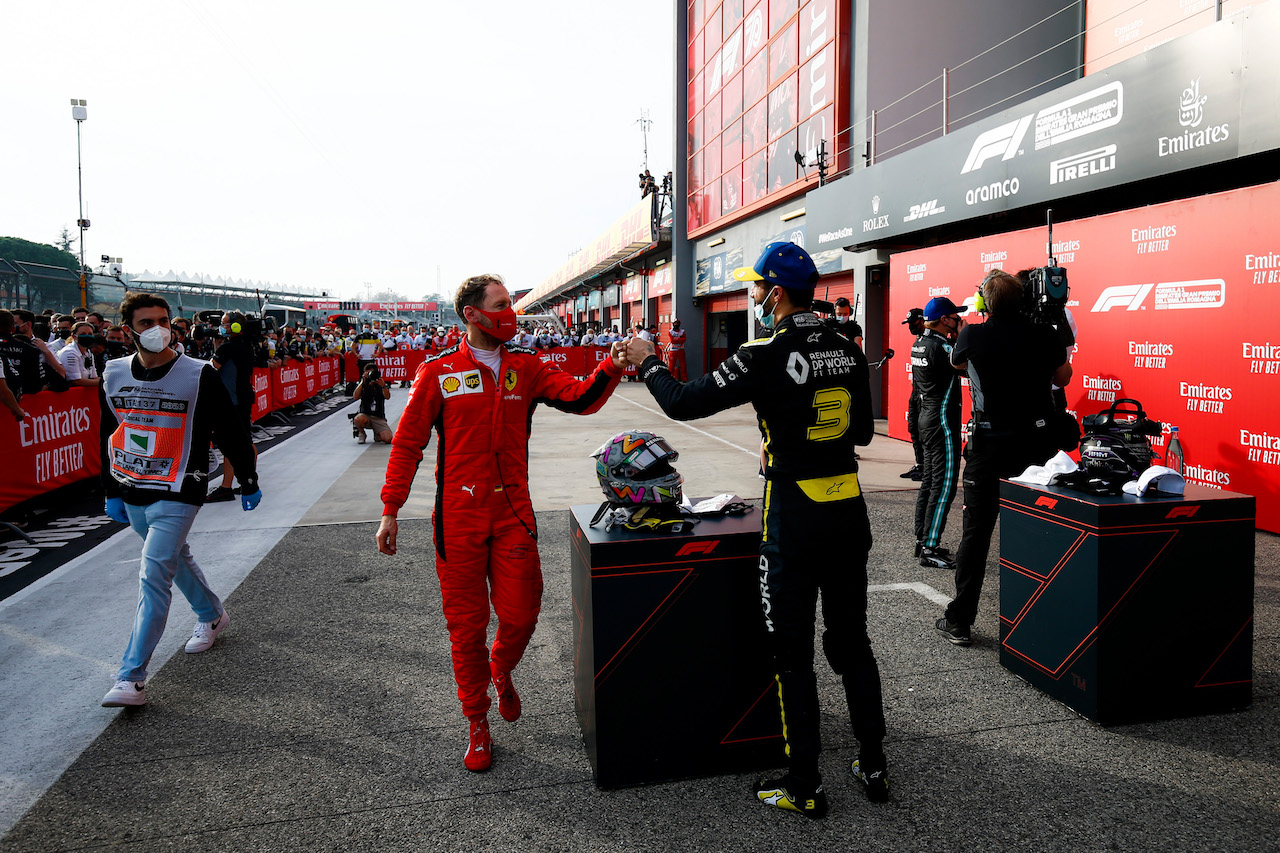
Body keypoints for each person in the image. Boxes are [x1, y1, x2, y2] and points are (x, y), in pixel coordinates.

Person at [622, 241, 890, 818]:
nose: (754, 299)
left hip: (793, 516)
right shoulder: (847, 344)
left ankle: (804, 784)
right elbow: (864, 434)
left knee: (791, 654)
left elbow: (683, 403)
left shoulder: (764, 350)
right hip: (849, 508)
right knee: (850, 642)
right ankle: (873, 762)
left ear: (775, 293)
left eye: (758, 289)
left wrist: (647, 360)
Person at [376, 273, 627, 773]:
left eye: (511, 304)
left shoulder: (526, 368)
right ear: (470, 313)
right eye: (501, 304)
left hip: (512, 512)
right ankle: (476, 721)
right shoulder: (437, 372)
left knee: (520, 615)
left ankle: (502, 667)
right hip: (457, 518)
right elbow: (407, 444)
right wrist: (390, 509)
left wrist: (613, 364)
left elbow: (579, 398)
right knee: (465, 628)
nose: (510, 313)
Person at [98, 292, 262, 708]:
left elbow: (229, 428)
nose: (157, 329)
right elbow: (109, 432)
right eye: (145, 322)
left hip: (180, 488)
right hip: (131, 485)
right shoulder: (113, 372)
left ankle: (130, 677)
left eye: (163, 320)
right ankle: (212, 615)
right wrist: (110, 490)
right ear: (127, 331)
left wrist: (247, 478)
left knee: (153, 575)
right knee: (175, 559)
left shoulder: (198, 374)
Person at [936, 270, 1072, 647]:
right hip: (1037, 449)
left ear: (985, 303)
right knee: (1043, 532)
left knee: (976, 536)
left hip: (989, 449)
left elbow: (957, 364)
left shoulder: (972, 335)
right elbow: (1065, 377)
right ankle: (1047, 624)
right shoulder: (1045, 333)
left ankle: (960, 621)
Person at [912, 297, 967, 569]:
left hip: (927, 417)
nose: (958, 320)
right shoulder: (942, 345)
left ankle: (922, 540)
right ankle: (930, 548)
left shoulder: (919, 343)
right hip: (942, 422)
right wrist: (962, 336)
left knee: (930, 481)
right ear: (944, 319)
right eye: (955, 317)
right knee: (944, 487)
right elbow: (964, 365)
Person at [208, 312, 256, 502]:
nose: (221, 327)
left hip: (231, 401)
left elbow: (211, 368)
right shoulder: (246, 345)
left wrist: (216, 349)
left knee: (230, 444)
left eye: (224, 324)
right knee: (245, 441)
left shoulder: (229, 347)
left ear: (236, 327)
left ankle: (226, 486)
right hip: (242, 398)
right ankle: (248, 480)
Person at [900, 308, 926, 480]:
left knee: (925, 431)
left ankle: (927, 469)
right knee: (913, 428)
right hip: (915, 391)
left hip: (926, 394)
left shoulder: (932, 339)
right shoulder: (918, 339)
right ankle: (919, 464)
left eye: (913, 323)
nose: (911, 327)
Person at [56, 321, 101, 388]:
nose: (87, 336)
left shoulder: (88, 353)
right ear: (74, 336)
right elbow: (75, 381)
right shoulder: (69, 353)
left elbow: (93, 377)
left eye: (90, 334)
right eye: (83, 334)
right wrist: (103, 382)